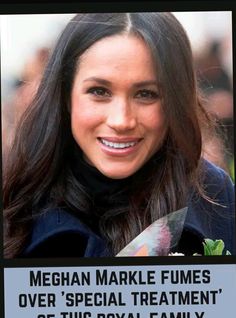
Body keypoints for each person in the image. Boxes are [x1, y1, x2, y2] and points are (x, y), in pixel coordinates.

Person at [3, 12, 235, 258]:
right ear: (65, 96)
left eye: (146, 94)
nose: (121, 120)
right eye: (99, 91)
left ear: (175, 102)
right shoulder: (15, 209)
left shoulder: (214, 198)